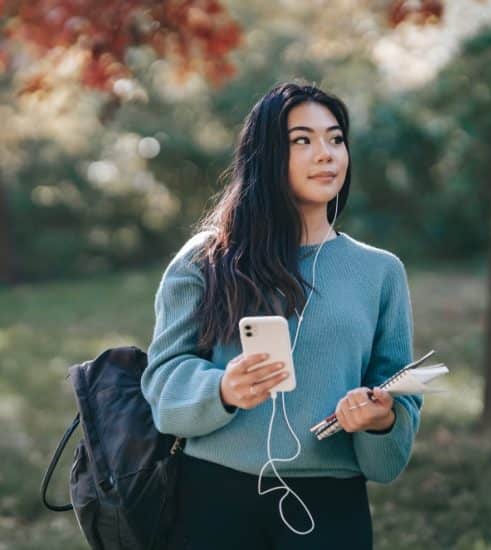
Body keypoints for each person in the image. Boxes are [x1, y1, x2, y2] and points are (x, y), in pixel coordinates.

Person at [141, 82, 422, 550]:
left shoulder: (381, 272)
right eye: (302, 140)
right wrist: (223, 389)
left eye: (335, 139)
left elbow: (398, 406)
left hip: (331, 505)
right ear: (267, 155)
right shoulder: (207, 259)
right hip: (212, 497)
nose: (326, 154)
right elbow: (163, 383)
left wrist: (381, 420)